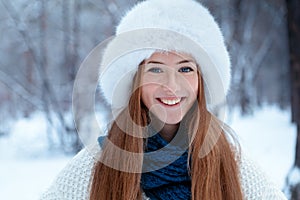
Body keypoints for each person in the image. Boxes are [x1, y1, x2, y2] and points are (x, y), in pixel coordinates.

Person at [40, 0, 287, 199]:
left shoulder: (231, 165)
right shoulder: (95, 166)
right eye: (156, 69)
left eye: (185, 69)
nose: (171, 85)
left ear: (202, 81)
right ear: (134, 81)